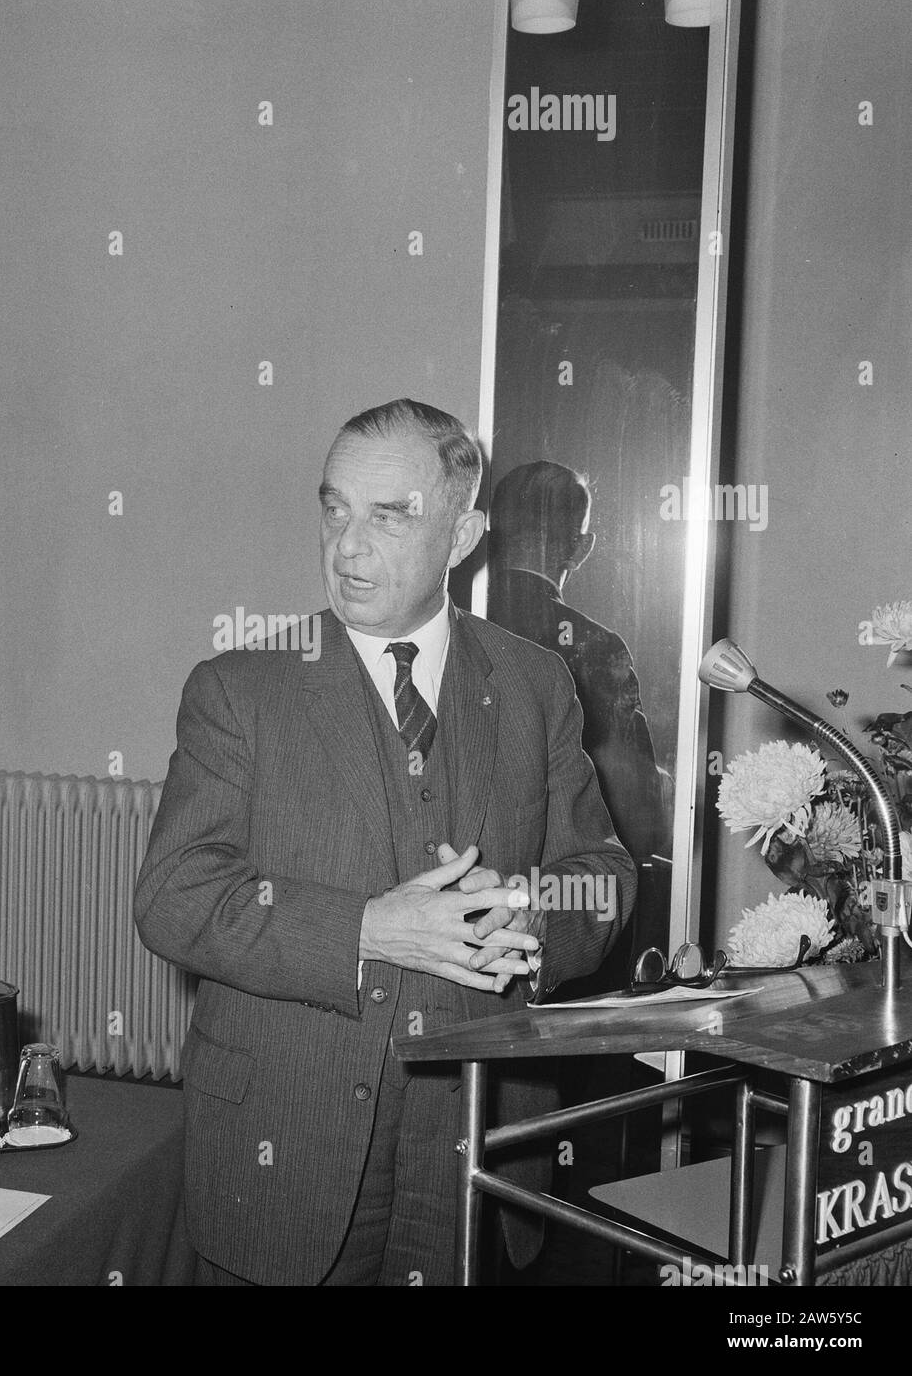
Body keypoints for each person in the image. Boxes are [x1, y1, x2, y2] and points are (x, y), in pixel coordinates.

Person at [134, 399, 635, 1286]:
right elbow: (174, 894)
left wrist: (528, 913)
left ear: (464, 532)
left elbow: (600, 878)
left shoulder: (534, 684)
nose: (349, 545)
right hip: (282, 1147)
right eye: (335, 510)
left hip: (477, 1142)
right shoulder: (239, 689)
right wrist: (365, 929)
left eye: (389, 515)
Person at [487, 461, 672, 953]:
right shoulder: (595, 645)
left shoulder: (454, 625)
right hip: (563, 911)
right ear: (580, 547)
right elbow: (637, 805)